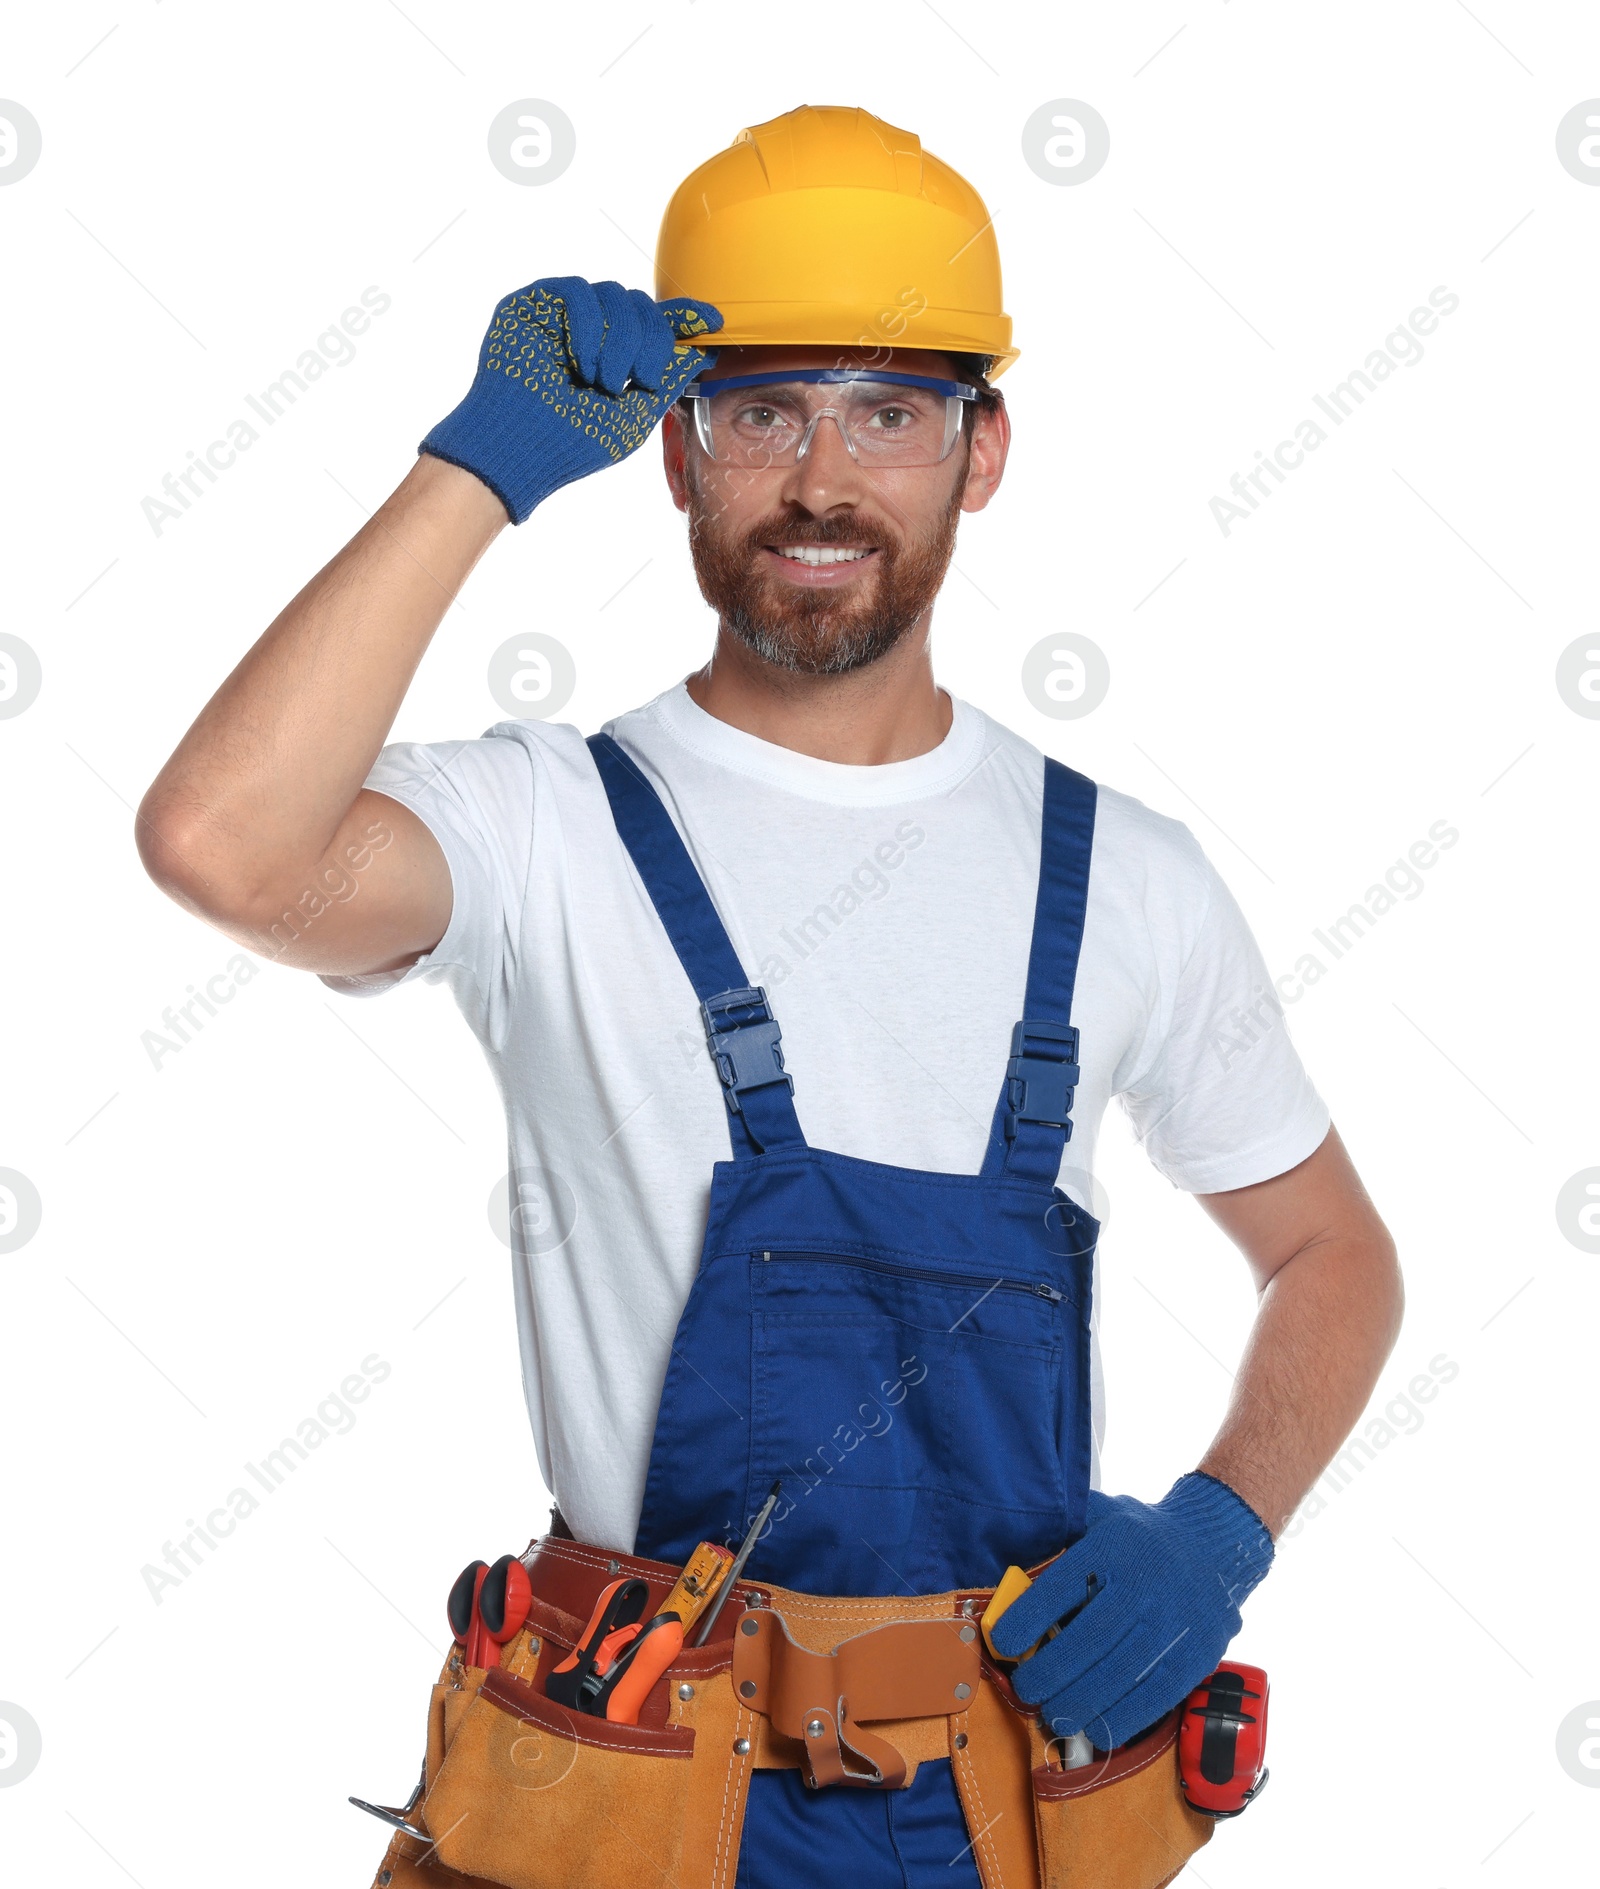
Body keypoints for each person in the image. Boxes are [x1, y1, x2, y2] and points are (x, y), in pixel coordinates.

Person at [138, 106, 1402, 1889]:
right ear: (672, 453)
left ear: (985, 450)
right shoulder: (541, 829)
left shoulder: (1127, 875)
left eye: (890, 409)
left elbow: (1336, 1251)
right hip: (630, 1782)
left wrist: (1221, 1530)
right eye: (763, 411)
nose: (824, 478)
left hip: (1005, 1798)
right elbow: (221, 845)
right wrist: (481, 464)